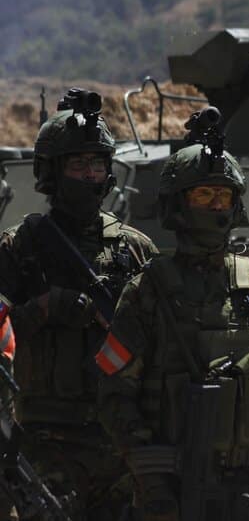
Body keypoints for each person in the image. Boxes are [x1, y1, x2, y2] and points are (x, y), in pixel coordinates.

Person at [97, 113, 249, 520]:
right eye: (203, 195)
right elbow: (114, 396)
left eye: (224, 196)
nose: (216, 206)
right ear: (179, 205)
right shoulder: (147, 292)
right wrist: (153, 481)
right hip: (171, 494)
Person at [0, 89, 157, 519]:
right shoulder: (21, 246)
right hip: (45, 442)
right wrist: (44, 309)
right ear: (52, 173)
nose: (89, 176)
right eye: (77, 165)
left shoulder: (136, 249)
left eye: (97, 165)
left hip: (121, 441)